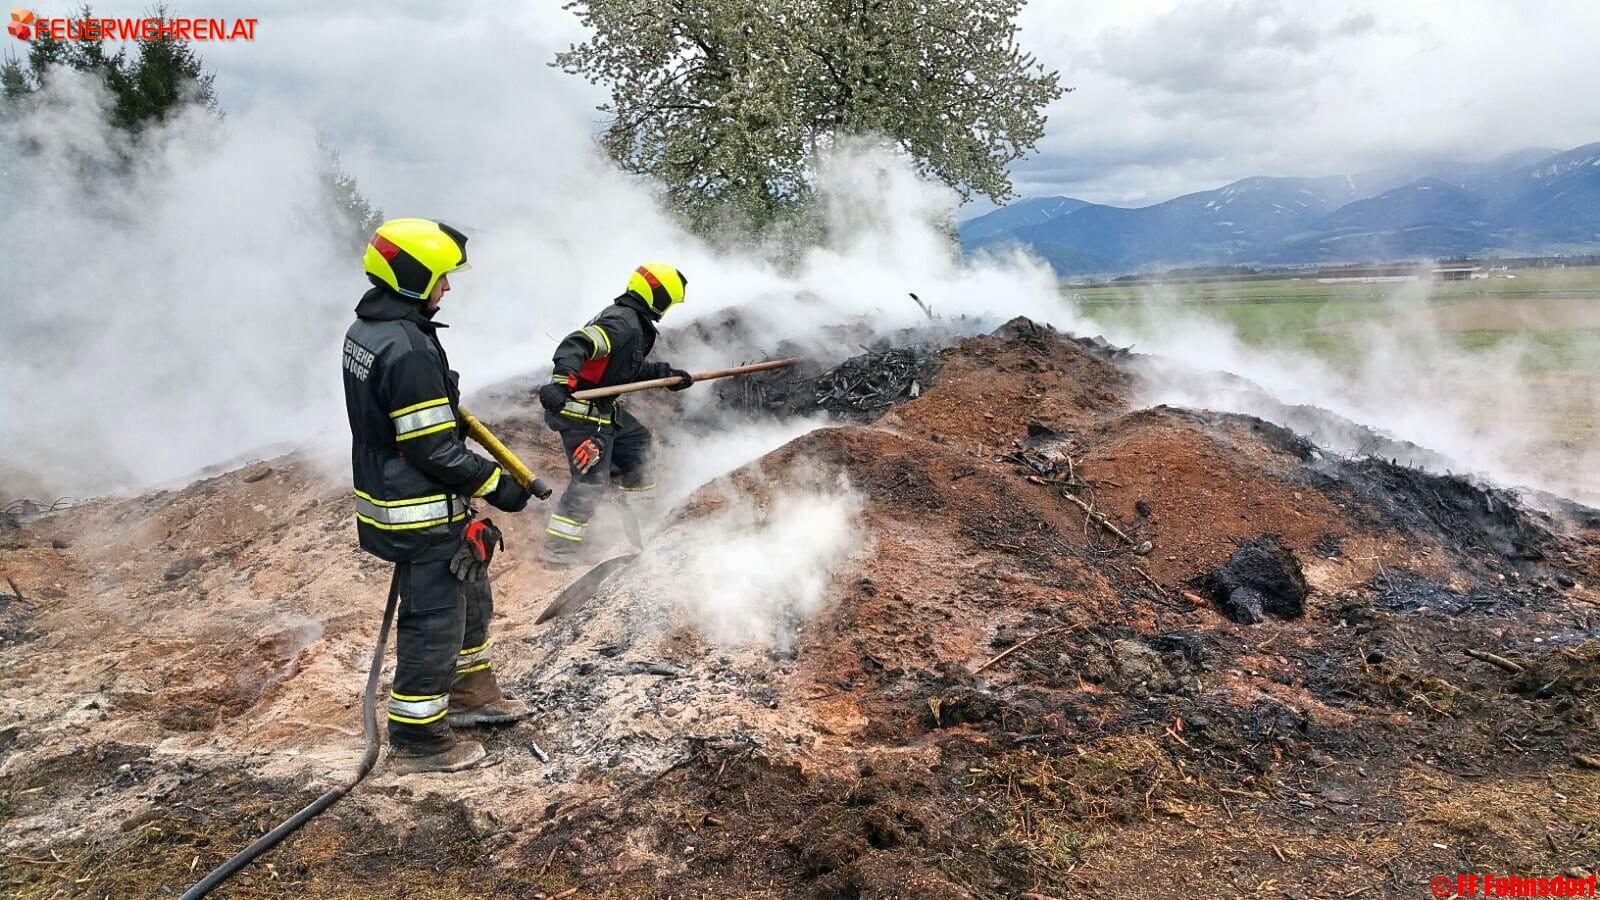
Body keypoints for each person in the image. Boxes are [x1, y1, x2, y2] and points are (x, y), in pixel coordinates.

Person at [342, 218, 536, 774]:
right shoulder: (406, 348)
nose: (447, 287)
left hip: (403, 494)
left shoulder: (375, 329)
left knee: (470, 595)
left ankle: (472, 694)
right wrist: (496, 485)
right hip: (416, 506)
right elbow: (431, 449)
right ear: (412, 276)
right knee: (434, 618)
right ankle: (419, 738)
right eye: (441, 277)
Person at [536, 262, 693, 564]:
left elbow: (625, 371)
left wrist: (666, 374)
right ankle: (558, 554)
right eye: (668, 302)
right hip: (580, 414)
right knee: (591, 480)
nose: (667, 309)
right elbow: (577, 344)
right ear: (657, 296)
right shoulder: (623, 321)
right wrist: (560, 382)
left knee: (637, 444)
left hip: (604, 410)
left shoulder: (634, 322)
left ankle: (643, 526)